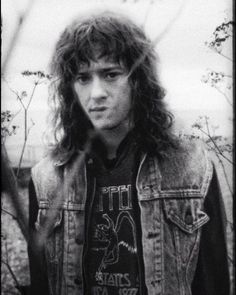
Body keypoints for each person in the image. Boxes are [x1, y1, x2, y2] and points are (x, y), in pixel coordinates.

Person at [28, 10, 230, 295]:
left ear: (138, 80)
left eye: (110, 74)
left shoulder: (191, 168)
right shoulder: (47, 179)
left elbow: (214, 281)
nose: (96, 92)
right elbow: (41, 284)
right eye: (83, 78)